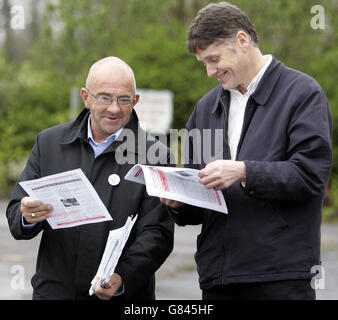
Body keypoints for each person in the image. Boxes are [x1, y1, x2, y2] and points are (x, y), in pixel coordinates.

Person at [161, 2, 332, 300]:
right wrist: (178, 202)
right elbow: (200, 202)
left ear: (242, 41)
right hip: (219, 279)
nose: (209, 71)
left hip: (281, 278)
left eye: (214, 59)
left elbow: (310, 175)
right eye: (203, 62)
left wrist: (243, 171)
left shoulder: (303, 94)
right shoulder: (204, 109)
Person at [6, 56, 174, 300]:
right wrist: (26, 216)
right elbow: (15, 214)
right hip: (54, 292)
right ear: (86, 98)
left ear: (135, 101)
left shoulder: (155, 156)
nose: (114, 108)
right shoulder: (50, 143)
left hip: (120, 295)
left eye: (124, 99)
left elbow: (156, 234)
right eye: (104, 97)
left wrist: (122, 276)